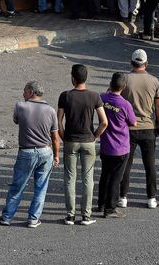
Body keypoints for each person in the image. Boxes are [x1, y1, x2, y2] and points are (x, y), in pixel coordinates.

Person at [0, 81, 60, 227]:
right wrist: (56, 155)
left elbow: (16, 121)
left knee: (17, 186)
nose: (23, 93)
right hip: (46, 151)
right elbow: (55, 137)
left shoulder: (20, 106)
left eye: (25, 91)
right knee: (41, 187)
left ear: (31, 92)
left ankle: (7, 217)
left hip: (26, 152)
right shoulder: (51, 110)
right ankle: (33, 219)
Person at [57, 64, 108, 225]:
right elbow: (104, 122)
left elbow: (58, 120)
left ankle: (70, 215)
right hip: (88, 141)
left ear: (73, 77)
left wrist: (63, 136)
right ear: (86, 78)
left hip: (71, 141)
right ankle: (86, 215)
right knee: (88, 178)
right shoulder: (94, 96)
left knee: (70, 178)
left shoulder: (65, 96)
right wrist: (94, 136)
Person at [119, 49, 159, 209]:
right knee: (150, 164)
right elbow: (158, 106)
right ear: (146, 64)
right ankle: (151, 197)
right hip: (148, 127)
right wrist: (158, 124)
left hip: (128, 128)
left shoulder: (124, 80)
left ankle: (123, 196)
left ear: (131, 63)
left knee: (126, 164)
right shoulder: (154, 81)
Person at [98, 73, 136, 218]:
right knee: (115, 178)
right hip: (120, 147)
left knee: (105, 175)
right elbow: (133, 122)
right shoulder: (125, 104)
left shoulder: (102, 98)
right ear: (124, 87)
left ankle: (101, 203)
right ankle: (110, 208)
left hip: (106, 144)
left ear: (110, 84)